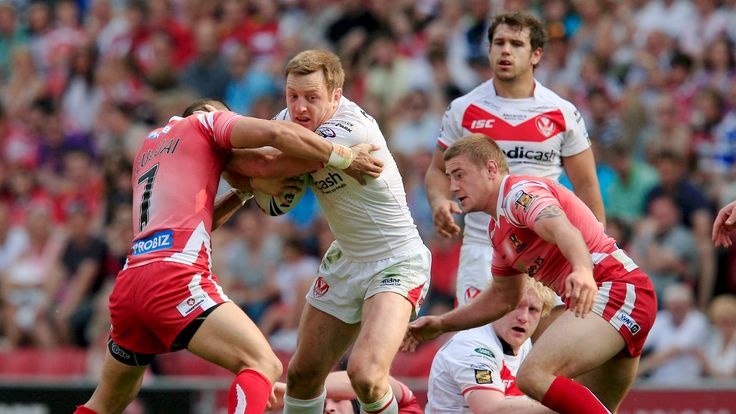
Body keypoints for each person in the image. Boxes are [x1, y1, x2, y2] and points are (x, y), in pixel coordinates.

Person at [74, 98, 383, 414]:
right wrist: (344, 158)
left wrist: (244, 191)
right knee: (262, 362)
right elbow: (275, 136)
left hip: (131, 281)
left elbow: (199, 220)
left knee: (108, 401)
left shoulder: (151, 145)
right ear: (211, 112)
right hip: (173, 277)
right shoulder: (205, 122)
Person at [229, 49, 431, 414]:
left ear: (336, 95)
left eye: (312, 97)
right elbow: (264, 184)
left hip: (396, 261)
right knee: (304, 374)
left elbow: (264, 162)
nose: (300, 108)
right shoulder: (287, 123)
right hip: (347, 259)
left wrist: (226, 155)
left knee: (365, 374)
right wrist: (260, 184)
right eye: (293, 96)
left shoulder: (351, 128)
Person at [404, 134, 657, 414]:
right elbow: (502, 298)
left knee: (532, 376)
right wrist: (441, 324)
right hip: (616, 299)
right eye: (449, 177)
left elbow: (562, 228)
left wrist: (583, 270)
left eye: (460, 175)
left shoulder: (518, 195)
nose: (453, 187)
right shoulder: (498, 230)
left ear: (490, 169)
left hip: (616, 290)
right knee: (589, 408)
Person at [424, 11, 604, 307]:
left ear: (536, 54)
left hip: (547, 252)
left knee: (543, 351)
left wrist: (593, 256)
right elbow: (436, 171)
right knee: (478, 348)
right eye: (499, 42)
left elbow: (587, 187)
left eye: (516, 44)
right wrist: (439, 202)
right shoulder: (463, 109)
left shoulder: (562, 112)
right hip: (483, 249)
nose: (505, 50)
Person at [426, 277, 557, 413]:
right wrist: (563, 406)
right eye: (517, 305)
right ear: (498, 304)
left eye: (533, 310)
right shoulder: (472, 346)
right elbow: (490, 410)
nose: (523, 317)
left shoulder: (522, 343)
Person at [271, 371, 422, 414]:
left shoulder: (405, 408)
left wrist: (299, 393)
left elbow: (371, 379)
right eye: (321, 407)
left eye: (337, 400)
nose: (329, 409)